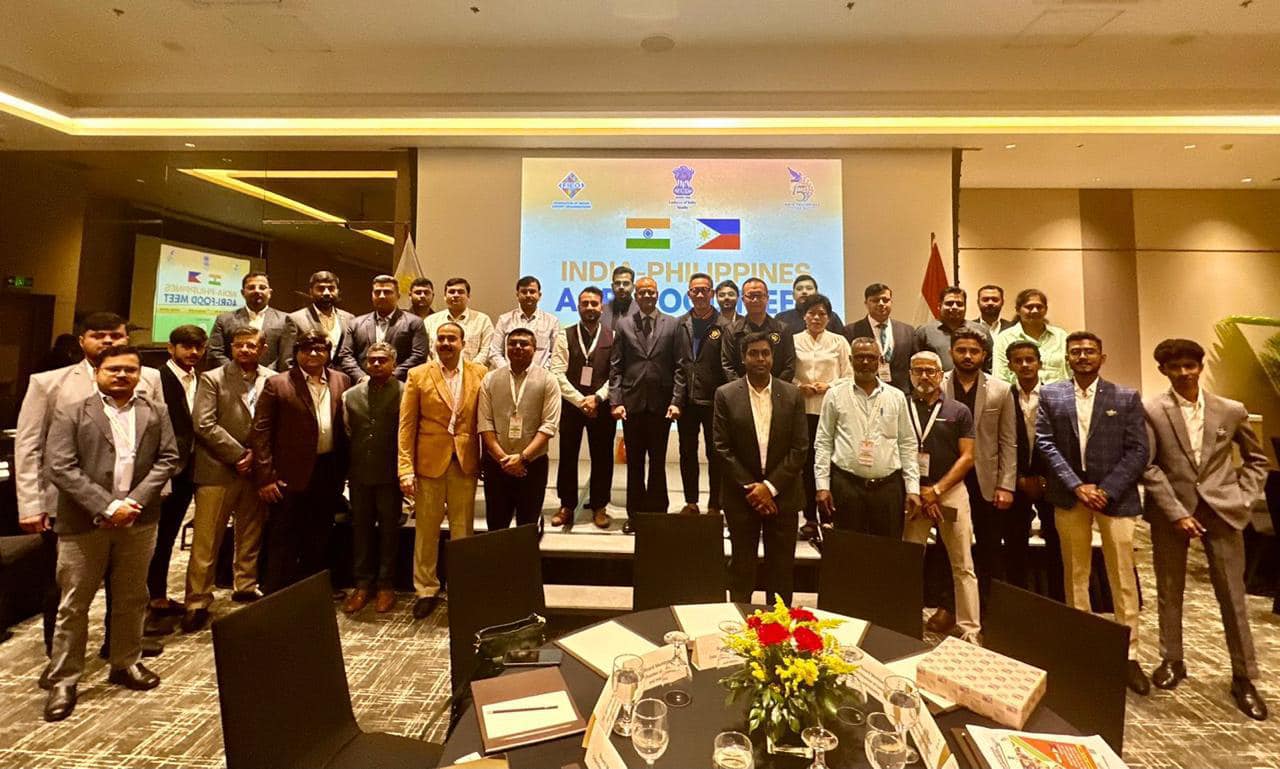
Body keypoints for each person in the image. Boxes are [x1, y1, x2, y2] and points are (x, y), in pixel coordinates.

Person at [15, 312, 165, 663]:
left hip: (134, 504)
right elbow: (29, 445)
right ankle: (59, 659)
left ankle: (121, 651)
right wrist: (30, 504)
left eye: (116, 335)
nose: (109, 341)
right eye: (99, 335)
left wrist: (155, 492)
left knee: (129, 586)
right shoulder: (49, 383)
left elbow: (157, 443)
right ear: (82, 341)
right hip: (68, 504)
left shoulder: (149, 377)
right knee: (67, 589)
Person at [41, 345, 180, 722]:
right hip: (85, 521)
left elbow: (168, 458)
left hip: (139, 518)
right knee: (74, 603)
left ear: (139, 375)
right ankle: (65, 679)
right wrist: (106, 506)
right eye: (113, 369)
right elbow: (60, 466)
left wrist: (132, 502)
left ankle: (125, 662)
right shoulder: (71, 410)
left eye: (130, 370)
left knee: (133, 597)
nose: (122, 375)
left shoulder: (156, 411)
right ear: (97, 372)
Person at [1142, 338, 1269, 720]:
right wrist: (1176, 512)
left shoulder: (1231, 410)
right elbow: (1149, 465)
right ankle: (1172, 659)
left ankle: (1244, 677)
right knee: (1169, 590)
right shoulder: (1151, 410)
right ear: (1163, 370)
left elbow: (1257, 459)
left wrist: (1243, 498)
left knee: (1232, 595)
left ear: (1199, 367)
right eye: (1175, 367)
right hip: (1172, 513)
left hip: (1223, 512)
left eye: (1190, 366)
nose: (1184, 373)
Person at [1035, 331, 1150, 694]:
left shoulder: (1126, 396)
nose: (1083, 357)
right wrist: (1077, 486)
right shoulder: (1051, 394)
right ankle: (1080, 647)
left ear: (1102, 357)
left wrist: (1106, 489)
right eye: (1076, 352)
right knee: (1076, 574)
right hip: (1071, 496)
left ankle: (1129, 654)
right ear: (1067, 358)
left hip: (1115, 499)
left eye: (1089, 351)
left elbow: (1138, 450)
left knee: (1122, 577)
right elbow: (1045, 443)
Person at [180, 326, 272, 633]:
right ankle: (197, 600)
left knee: (250, 532)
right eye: (239, 345)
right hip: (218, 469)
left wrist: (257, 458)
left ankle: (245, 585)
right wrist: (238, 454)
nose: (244, 350)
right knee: (207, 539)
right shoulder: (212, 378)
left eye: (251, 345)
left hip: (256, 470)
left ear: (263, 349)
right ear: (231, 348)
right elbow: (203, 424)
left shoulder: (272, 378)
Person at [251, 331, 352, 594]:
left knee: (320, 532)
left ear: (328, 353)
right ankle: (277, 591)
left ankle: (313, 590)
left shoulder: (341, 380)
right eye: (307, 349)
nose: (314, 354)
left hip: (327, 470)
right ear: (296, 353)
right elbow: (260, 432)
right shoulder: (278, 383)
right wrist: (266, 476)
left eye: (320, 349)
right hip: (288, 473)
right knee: (283, 534)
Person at [399, 321, 486, 620]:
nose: (446, 343)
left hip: (464, 462)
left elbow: (484, 421)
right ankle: (426, 589)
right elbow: (406, 426)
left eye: (452, 339)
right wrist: (405, 468)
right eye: (441, 339)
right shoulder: (418, 375)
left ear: (463, 343)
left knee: (463, 530)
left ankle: (462, 586)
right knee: (426, 531)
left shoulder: (480, 373)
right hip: (428, 465)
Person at [713, 332, 808, 604]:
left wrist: (770, 487)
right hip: (742, 497)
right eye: (753, 353)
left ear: (772, 357)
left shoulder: (792, 394)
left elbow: (800, 448)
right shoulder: (726, 394)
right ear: (743, 358)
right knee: (742, 569)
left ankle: (777, 627)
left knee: (781, 571)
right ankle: (738, 623)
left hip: (783, 496)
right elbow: (721, 447)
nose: (760, 359)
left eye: (765, 353)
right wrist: (754, 489)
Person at [902, 351, 981, 642]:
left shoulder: (959, 410)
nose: (924, 376)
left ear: (940, 374)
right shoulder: (900, 405)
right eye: (918, 370)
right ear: (910, 374)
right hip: (913, 494)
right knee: (909, 563)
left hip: (950, 492)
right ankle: (905, 622)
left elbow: (968, 457)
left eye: (930, 371)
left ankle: (970, 630)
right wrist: (918, 490)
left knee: (963, 565)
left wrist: (936, 491)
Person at [940, 329, 1016, 614]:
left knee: (989, 547)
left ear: (984, 355)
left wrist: (1006, 484)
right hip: (949, 479)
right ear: (951, 352)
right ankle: (950, 608)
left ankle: (988, 610)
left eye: (974, 351)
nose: (967, 356)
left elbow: (1009, 440)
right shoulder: (938, 384)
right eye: (961, 350)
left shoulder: (1001, 389)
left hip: (987, 480)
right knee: (949, 548)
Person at [814, 338, 920, 536]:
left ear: (879, 360)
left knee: (887, 547)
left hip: (888, 488)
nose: (865, 362)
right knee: (849, 550)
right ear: (850, 360)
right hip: (847, 485)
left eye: (871, 358)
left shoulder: (896, 396)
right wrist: (822, 486)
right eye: (860, 357)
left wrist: (912, 488)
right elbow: (823, 442)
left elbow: (907, 443)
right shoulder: (834, 395)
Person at [145, 324, 207, 633]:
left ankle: (158, 596)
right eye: (186, 346)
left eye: (198, 347)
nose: (193, 352)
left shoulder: (199, 378)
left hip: (191, 468)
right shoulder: (157, 379)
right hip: (164, 470)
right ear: (171, 349)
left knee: (168, 535)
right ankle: (149, 602)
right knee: (153, 538)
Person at [339, 343, 404, 615]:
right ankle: (362, 585)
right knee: (361, 530)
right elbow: (347, 431)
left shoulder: (405, 392)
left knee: (389, 531)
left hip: (391, 475)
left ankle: (386, 585)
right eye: (372, 360)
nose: (376, 364)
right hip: (360, 474)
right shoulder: (350, 395)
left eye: (382, 360)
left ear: (393, 363)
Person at [609, 277, 678, 532]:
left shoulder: (673, 323)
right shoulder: (624, 324)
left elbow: (680, 366)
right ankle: (635, 515)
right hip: (632, 404)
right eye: (642, 292)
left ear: (658, 294)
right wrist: (616, 401)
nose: (647, 296)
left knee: (658, 462)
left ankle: (658, 514)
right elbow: (616, 366)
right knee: (635, 464)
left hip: (662, 405)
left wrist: (676, 400)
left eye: (651, 292)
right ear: (636, 296)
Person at [478, 328, 561, 530]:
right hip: (497, 464)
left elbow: (549, 425)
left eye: (524, 344)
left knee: (527, 527)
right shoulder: (490, 379)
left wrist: (522, 458)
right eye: (512, 343)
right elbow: (485, 423)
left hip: (532, 464)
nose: (517, 347)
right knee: (496, 527)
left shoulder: (548, 380)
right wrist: (504, 460)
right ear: (506, 348)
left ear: (535, 349)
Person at [550, 287, 616, 529]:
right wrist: (580, 401)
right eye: (585, 303)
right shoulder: (563, 335)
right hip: (571, 406)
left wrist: (596, 398)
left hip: (602, 406)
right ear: (578, 306)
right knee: (568, 455)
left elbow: (616, 374)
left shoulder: (613, 336)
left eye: (594, 303)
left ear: (601, 307)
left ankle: (599, 506)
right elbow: (557, 372)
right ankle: (567, 505)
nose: (589, 307)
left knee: (603, 456)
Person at [668, 273, 730, 517]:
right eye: (696, 290)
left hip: (715, 401)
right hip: (687, 401)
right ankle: (691, 501)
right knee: (687, 452)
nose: (700, 294)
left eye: (705, 290)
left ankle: (715, 504)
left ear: (712, 293)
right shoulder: (680, 324)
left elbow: (727, 365)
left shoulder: (724, 325)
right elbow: (678, 365)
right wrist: (676, 400)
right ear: (689, 294)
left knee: (715, 454)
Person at [791, 294, 853, 538]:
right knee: (806, 466)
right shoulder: (793, 340)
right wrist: (799, 387)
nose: (816, 318)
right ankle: (809, 518)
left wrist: (829, 386)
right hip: (803, 411)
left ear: (829, 317)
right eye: (812, 313)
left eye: (822, 314)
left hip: (831, 411)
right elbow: (786, 373)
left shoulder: (839, 342)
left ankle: (829, 518)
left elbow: (849, 375)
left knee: (829, 463)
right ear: (804, 316)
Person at [1004, 340, 1061, 598]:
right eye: (1018, 361)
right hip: (1014, 481)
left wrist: (1046, 478)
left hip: (1049, 482)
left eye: (1030, 359)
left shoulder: (1055, 396)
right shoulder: (1003, 396)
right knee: (1014, 544)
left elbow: (1063, 442)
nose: (1025, 365)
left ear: (1040, 363)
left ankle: (1057, 602)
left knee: (1056, 544)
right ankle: (1018, 600)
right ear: (1010, 365)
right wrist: (1016, 479)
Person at [335, 274, 429, 381]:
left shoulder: (414, 322)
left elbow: (419, 355)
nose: (382, 296)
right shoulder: (355, 324)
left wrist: (392, 375)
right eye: (377, 292)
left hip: (400, 385)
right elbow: (345, 356)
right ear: (372, 295)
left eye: (387, 292)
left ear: (398, 296)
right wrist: (361, 377)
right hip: (363, 385)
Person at [721, 277, 795, 383]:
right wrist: (743, 389)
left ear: (767, 298)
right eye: (751, 296)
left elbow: (789, 366)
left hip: (777, 391)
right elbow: (727, 366)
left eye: (759, 295)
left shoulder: (783, 329)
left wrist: (774, 388)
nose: (755, 300)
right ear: (743, 300)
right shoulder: (732, 330)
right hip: (741, 391)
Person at [844, 283, 915, 393]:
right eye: (875, 300)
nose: (881, 304)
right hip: (865, 393)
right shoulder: (850, 331)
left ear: (891, 302)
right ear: (866, 303)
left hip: (901, 393)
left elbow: (913, 366)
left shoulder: (907, 331)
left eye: (885, 300)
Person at [208, 272, 287, 369]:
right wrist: (237, 372)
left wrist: (266, 374)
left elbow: (286, 354)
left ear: (270, 293)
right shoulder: (224, 320)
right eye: (251, 287)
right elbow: (215, 353)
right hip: (231, 376)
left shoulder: (284, 320)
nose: (257, 291)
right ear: (243, 293)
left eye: (262, 287)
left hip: (272, 376)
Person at [279, 270, 355, 371]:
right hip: (307, 377)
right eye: (321, 288)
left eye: (331, 288)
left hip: (341, 378)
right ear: (311, 292)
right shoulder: (296, 319)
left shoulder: (349, 318)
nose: (326, 293)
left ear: (337, 291)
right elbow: (287, 361)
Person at [992, 289, 1069, 385]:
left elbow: (1071, 371)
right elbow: (1000, 377)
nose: (1035, 311)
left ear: (1046, 309)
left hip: (1059, 392)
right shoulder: (1004, 338)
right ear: (1018, 310)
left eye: (1039, 307)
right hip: (1020, 393)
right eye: (1029, 307)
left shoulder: (1061, 336)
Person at [912, 287, 991, 372]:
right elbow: (915, 363)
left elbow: (989, 364)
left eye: (959, 304)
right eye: (949, 303)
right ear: (939, 306)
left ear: (965, 307)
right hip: (936, 380)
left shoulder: (981, 331)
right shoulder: (924, 332)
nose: (954, 307)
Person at [489, 275, 561, 369]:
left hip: (541, 375)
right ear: (517, 295)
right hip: (509, 374)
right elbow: (495, 352)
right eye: (524, 292)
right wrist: (509, 371)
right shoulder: (504, 320)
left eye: (532, 291)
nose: (528, 295)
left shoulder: (552, 321)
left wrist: (541, 373)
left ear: (539, 295)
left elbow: (556, 354)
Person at [424, 277, 495, 367]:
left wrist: (470, 370)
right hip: (436, 372)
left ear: (468, 296)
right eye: (452, 292)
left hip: (473, 372)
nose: (456, 295)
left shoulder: (482, 320)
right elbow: (425, 351)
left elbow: (486, 350)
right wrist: (434, 369)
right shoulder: (430, 321)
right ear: (445, 296)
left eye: (460, 292)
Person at [775, 274, 844, 335]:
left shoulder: (831, 317)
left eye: (809, 288)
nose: (804, 291)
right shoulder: (782, 318)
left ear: (816, 293)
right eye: (799, 289)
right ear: (793, 295)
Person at [600, 265, 640, 330]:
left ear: (633, 287)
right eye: (617, 283)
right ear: (612, 286)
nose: (621, 287)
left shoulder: (641, 311)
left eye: (626, 283)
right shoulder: (601, 311)